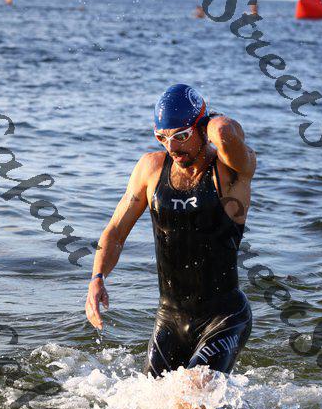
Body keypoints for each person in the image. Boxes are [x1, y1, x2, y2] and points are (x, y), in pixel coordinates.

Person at [86, 84, 256, 379]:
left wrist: (209, 121)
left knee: (192, 394)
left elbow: (225, 133)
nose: (172, 147)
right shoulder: (150, 169)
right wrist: (97, 278)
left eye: (181, 136)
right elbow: (115, 231)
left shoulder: (230, 173)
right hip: (170, 319)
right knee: (149, 402)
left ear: (202, 129)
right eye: (162, 137)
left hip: (224, 317)